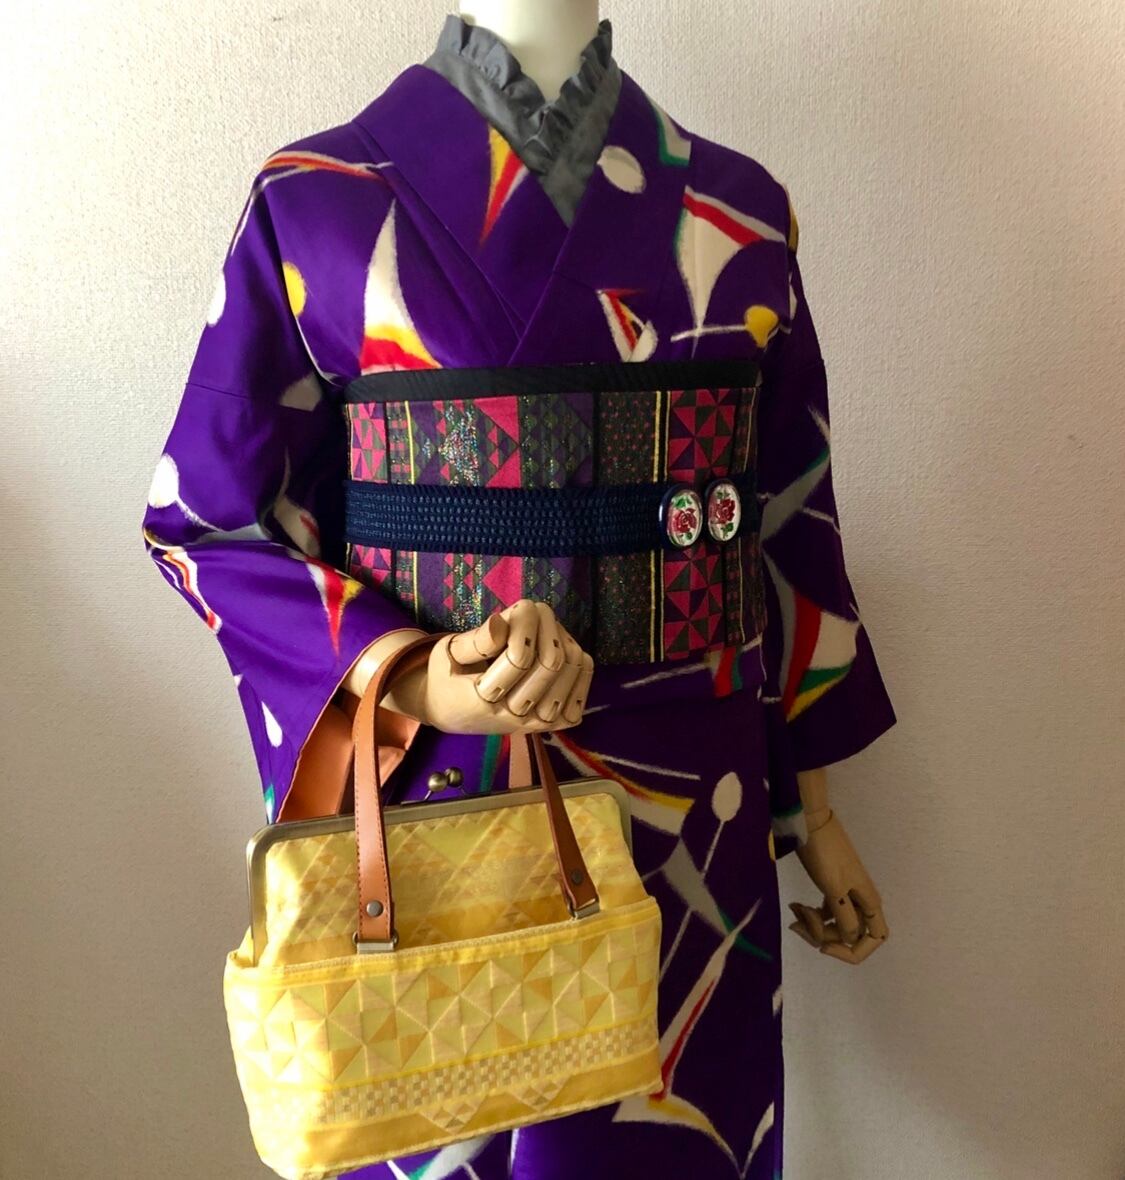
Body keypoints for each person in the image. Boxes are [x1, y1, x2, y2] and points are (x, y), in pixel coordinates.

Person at [142, 6, 897, 1176]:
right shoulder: (316, 201)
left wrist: (812, 812)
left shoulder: (738, 214)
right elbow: (211, 519)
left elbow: (787, 523)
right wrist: (414, 674)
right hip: (444, 820)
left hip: (693, 823)